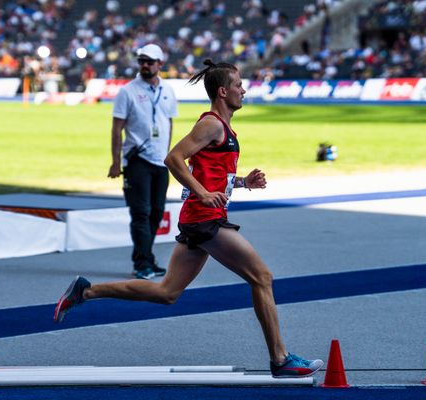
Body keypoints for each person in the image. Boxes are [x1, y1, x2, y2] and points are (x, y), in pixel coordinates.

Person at [55, 59, 323, 378]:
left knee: (167, 292)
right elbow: (173, 158)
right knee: (262, 277)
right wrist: (201, 193)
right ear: (223, 91)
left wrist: (241, 182)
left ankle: (86, 291)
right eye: (238, 86)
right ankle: (280, 359)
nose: (244, 90)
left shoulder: (224, 129)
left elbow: (211, 173)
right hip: (205, 218)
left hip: (201, 216)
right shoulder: (211, 124)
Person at [107, 43, 178, 280]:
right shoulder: (127, 91)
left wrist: (168, 154)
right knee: (141, 212)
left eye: (149, 61)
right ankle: (142, 263)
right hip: (137, 159)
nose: (145, 65)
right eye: (141, 61)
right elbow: (117, 129)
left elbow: (169, 123)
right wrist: (116, 162)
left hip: (161, 161)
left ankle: (146, 258)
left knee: (156, 212)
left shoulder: (167, 90)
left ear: (160, 64)